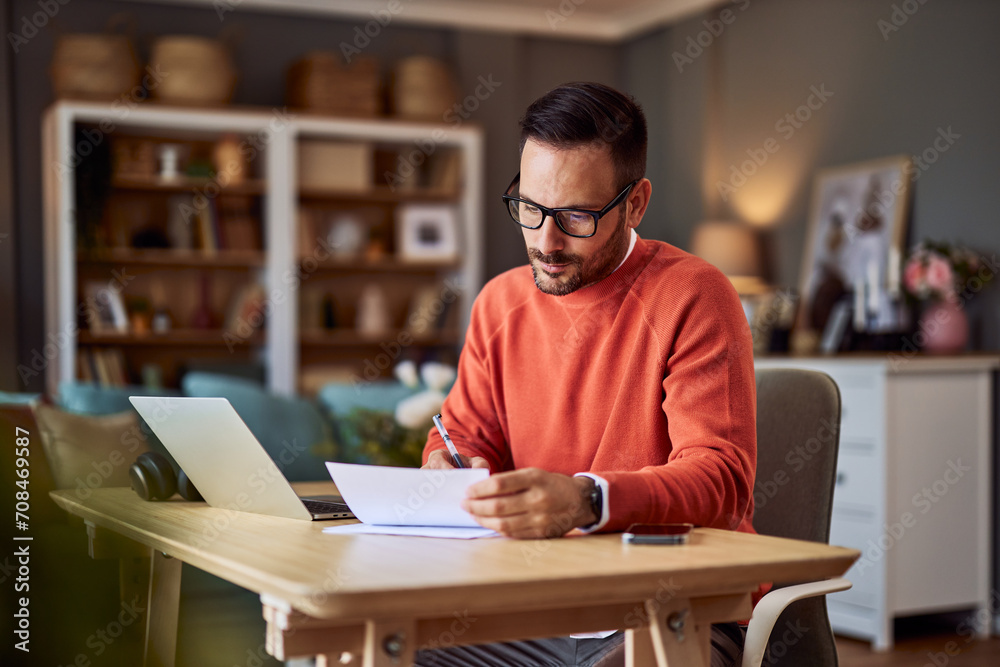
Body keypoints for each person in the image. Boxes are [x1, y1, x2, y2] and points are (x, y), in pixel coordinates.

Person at [417, 82, 757, 667]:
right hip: (531, 606)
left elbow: (721, 481)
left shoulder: (694, 295)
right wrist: (447, 468)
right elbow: (460, 437)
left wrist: (586, 501)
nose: (545, 242)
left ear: (635, 203)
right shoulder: (499, 304)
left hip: (668, 606)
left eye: (576, 215)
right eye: (530, 207)